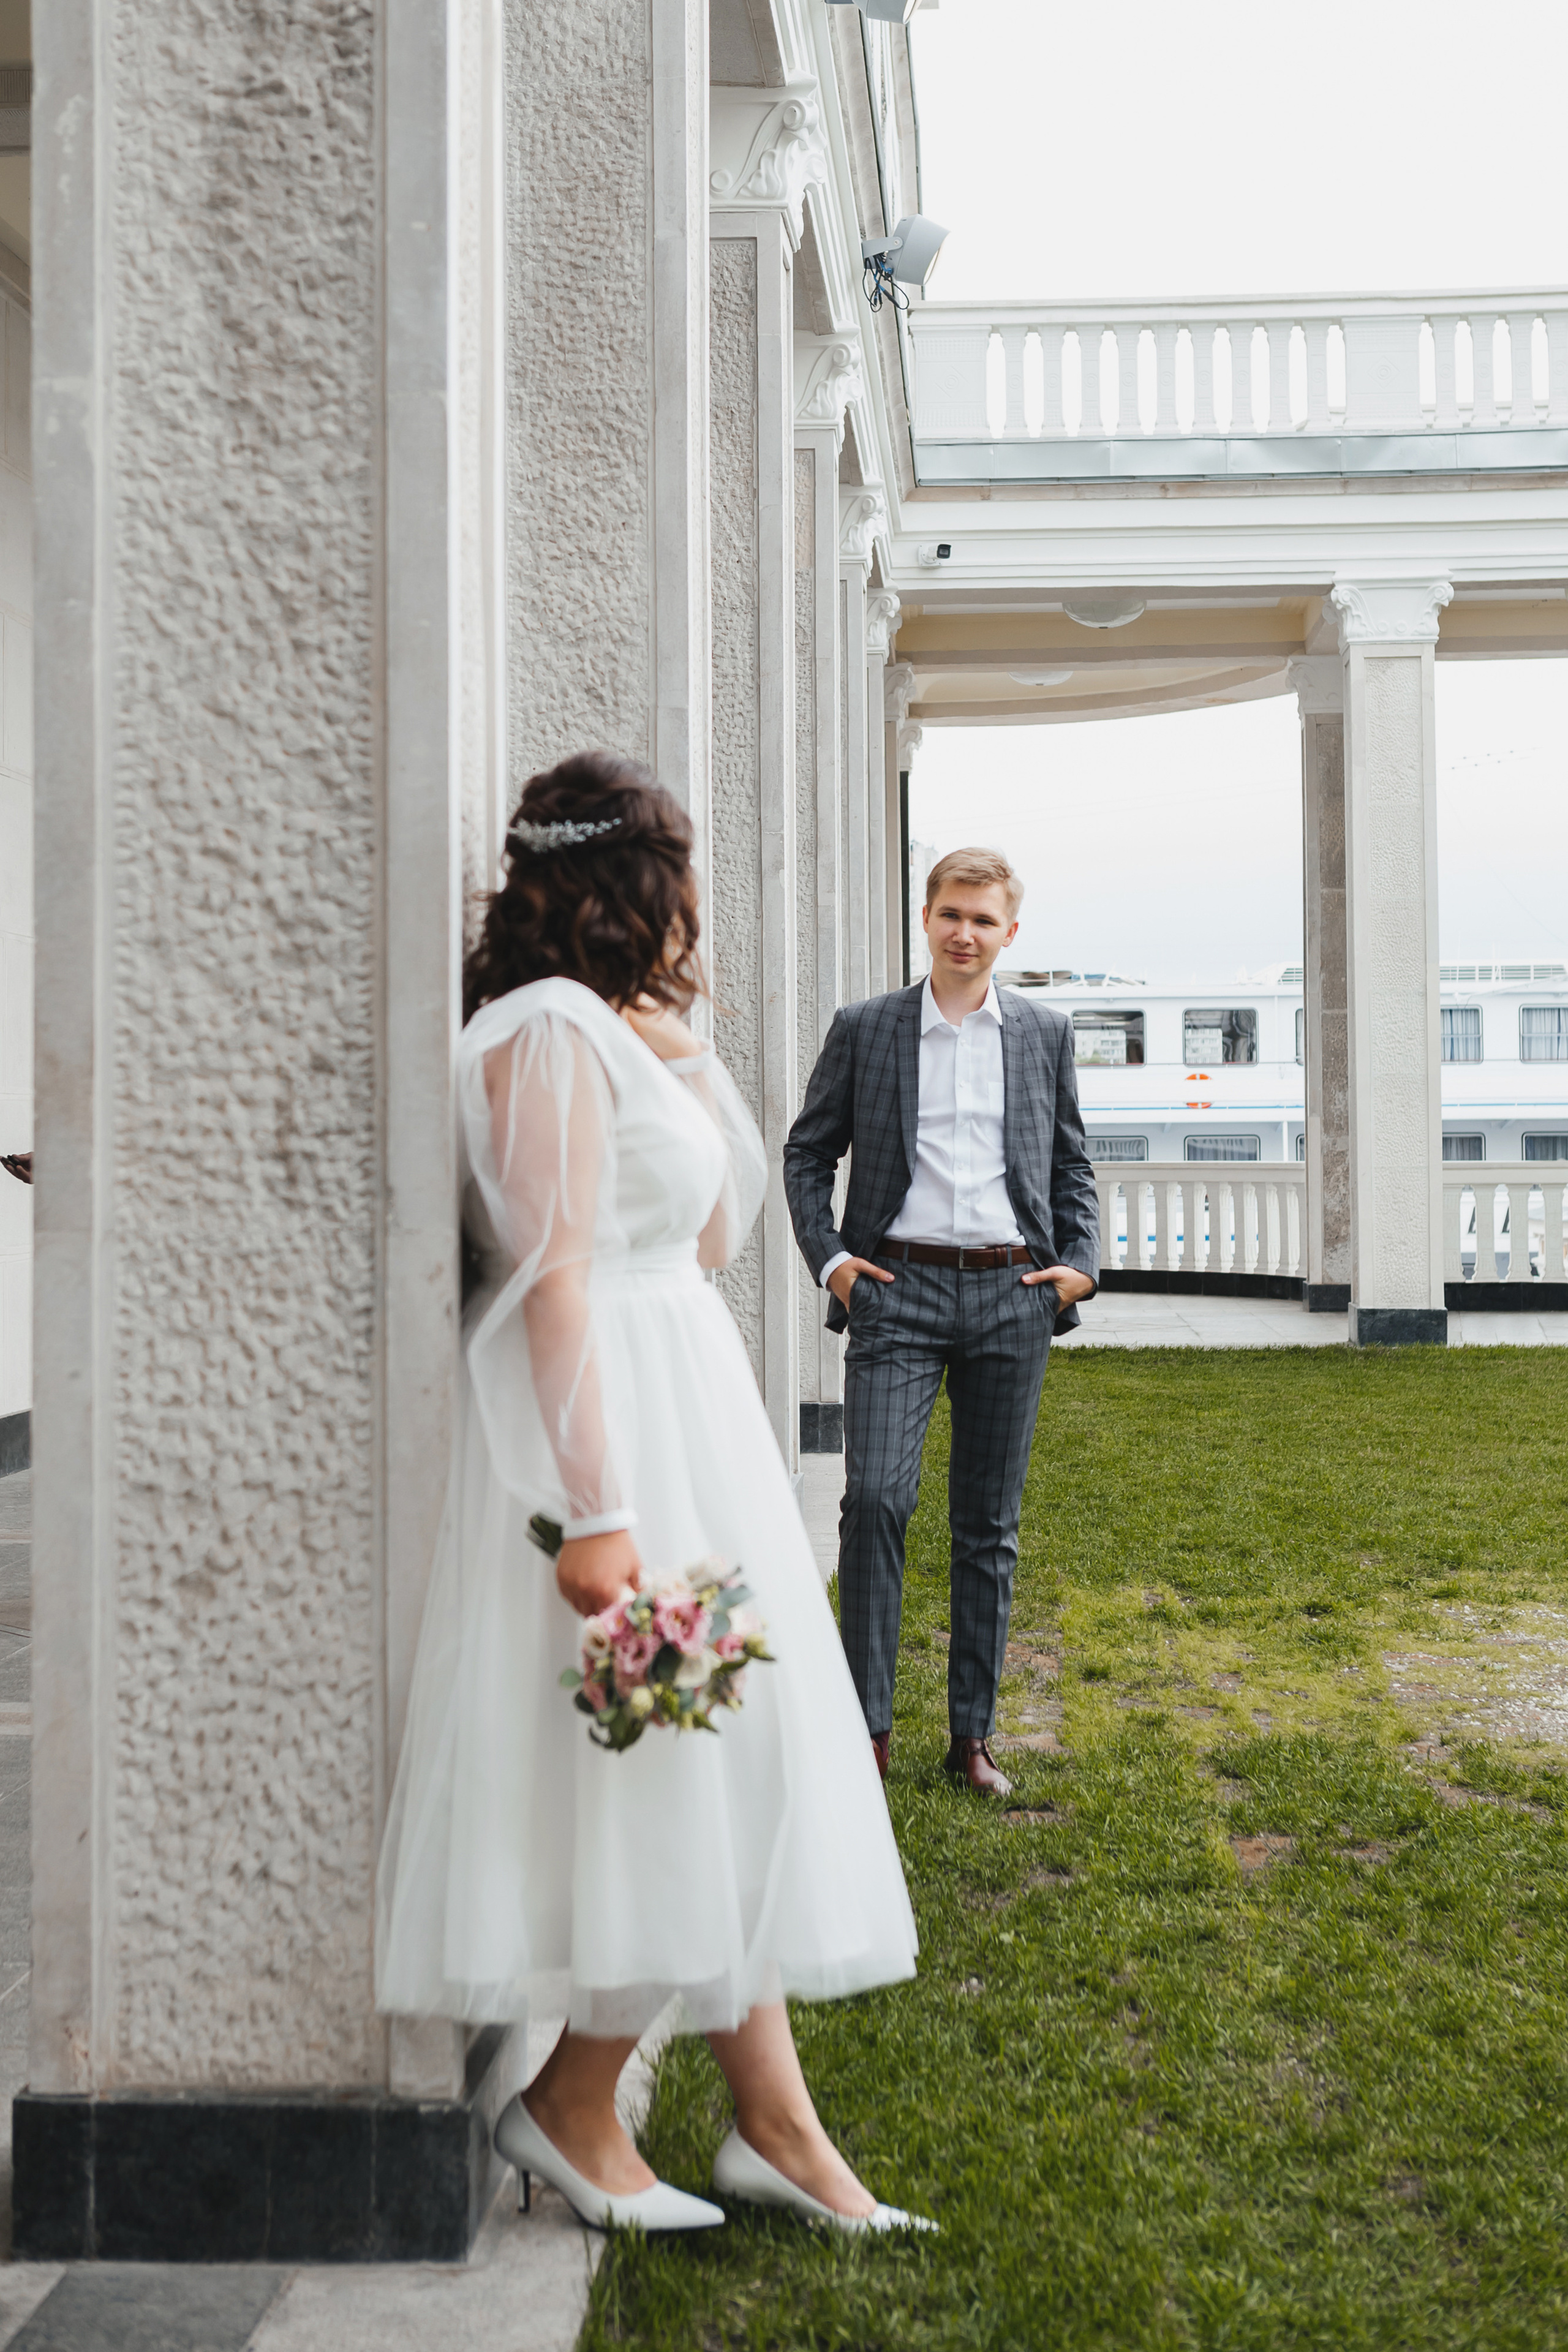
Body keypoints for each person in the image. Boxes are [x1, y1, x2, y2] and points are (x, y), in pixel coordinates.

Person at [375, 752, 926, 2236]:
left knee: (723, 1757)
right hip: (618, 1430)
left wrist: (676, 1043)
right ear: (636, 885)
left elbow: (706, 1232)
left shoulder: (608, 1030)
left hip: (683, 1405)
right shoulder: (546, 1030)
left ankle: (777, 2127)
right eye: (677, 877)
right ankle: (571, 2103)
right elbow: (555, 1277)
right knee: (690, 1766)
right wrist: (596, 1508)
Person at [783, 848, 1099, 1799]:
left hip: (1013, 1296)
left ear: (1010, 933)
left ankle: (972, 1740)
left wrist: (1077, 1269)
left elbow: (1071, 1164)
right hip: (898, 1295)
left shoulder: (1042, 1034)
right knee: (875, 1498)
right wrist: (837, 1265)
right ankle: (866, 1734)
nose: (966, 932)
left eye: (984, 920)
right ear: (925, 919)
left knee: (987, 1526)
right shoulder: (869, 1030)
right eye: (951, 914)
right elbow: (807, 1155)